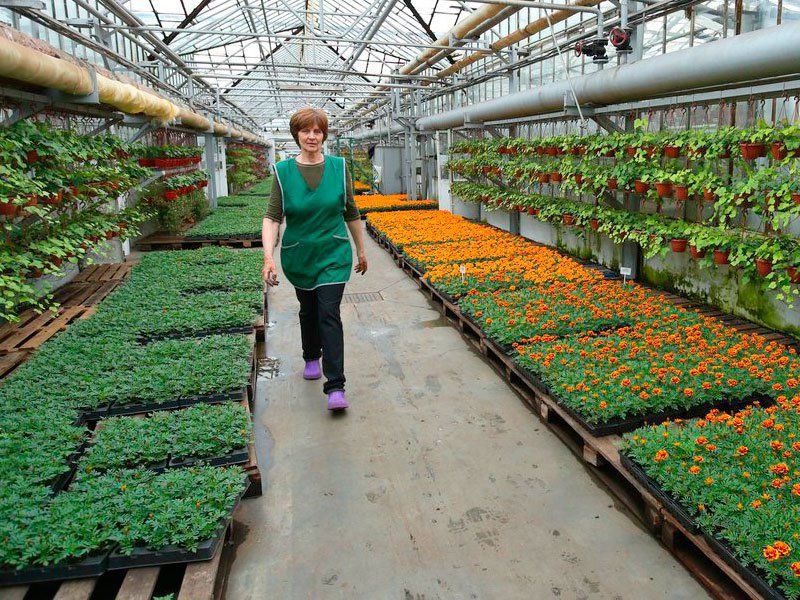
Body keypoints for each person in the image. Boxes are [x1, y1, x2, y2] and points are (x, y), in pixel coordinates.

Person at [261, 107, 368, 411]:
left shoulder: (339, 167)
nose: (312, 136)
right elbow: (272, 217)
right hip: (300, 254)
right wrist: (268, 257)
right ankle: (311, 355)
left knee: (329, 313)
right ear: (296, 135)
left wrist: (361, 250)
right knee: (308, 310)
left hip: (334, 253)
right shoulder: (283, 172)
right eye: (306, 131)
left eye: (317, 131)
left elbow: (350, 211)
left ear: (324, 135)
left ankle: (336, 386)